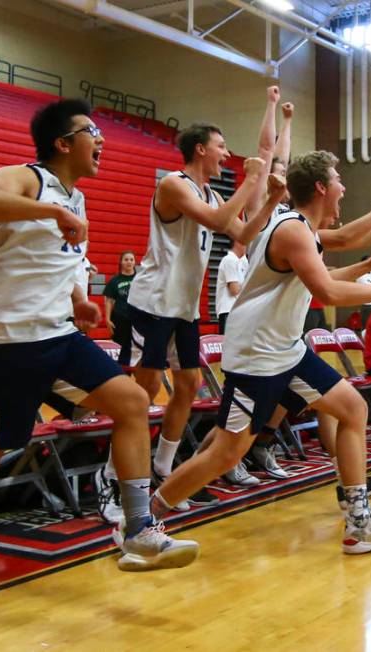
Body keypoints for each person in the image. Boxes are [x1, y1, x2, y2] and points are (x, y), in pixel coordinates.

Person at [0, 99, 200, 613]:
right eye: (92, 133)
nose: (101, 142)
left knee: (130, 402)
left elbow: (53, 264)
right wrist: (50, 210)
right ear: (63, 143)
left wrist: (79, 301)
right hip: (3, 343)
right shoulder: (27, 178)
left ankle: (139, 526)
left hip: (55, 336)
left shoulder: (76, 200)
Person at [150, 150, 371, 554]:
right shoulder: (292, 229)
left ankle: (359, 520)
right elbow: (326, 290)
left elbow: (343, 247)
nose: (344, 187)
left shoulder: (301, 229)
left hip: (285, 348)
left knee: (353, 409)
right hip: (257, 352)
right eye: (339, 180)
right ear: (322, 188)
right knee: (227, 452)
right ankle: (143, 520)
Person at [120, 90, 281, 510]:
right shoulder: (174, 184)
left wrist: (274, 200)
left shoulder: (211, 195)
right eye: (221, 147)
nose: (227, 155)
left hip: (184, 307)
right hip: (153, 302)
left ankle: (163, 468)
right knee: (144, 391)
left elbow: (243, 235)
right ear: (200, 149)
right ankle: (119, 476)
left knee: (189, 384)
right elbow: (215, 221)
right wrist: (249, 180)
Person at [103, 251, 136, 349]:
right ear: (121, 262)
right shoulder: (114, 281)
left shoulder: (140, 279)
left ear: (134, 262)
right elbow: (109, 301)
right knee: (120, 346)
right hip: (120, 318)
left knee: (137, 347)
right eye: (126, 260)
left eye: (131, 260)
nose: (129, 262)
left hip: (137, 318)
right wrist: (108, 319)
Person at [215, 242, 248, 334]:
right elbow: (234, 289)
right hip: (228, 312)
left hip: (240, 311)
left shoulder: (244, 261)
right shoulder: (229, 260)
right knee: (228, 347)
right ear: (238, 242)